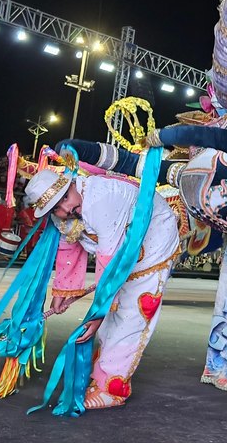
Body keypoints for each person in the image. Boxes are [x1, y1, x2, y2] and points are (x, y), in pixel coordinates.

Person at [23, 168, 181, 409]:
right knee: (112, 319)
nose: (65, 210)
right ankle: (102, 373)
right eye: (56, 207)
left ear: (72, 184)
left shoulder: (100, 200)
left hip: (153, 244)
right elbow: (69, 249)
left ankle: (112, 389)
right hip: (122, 251)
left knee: (132, 314)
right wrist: (62, 294)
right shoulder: (64, 212)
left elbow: (108, 263)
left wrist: (98, 313)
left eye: (65, 198)